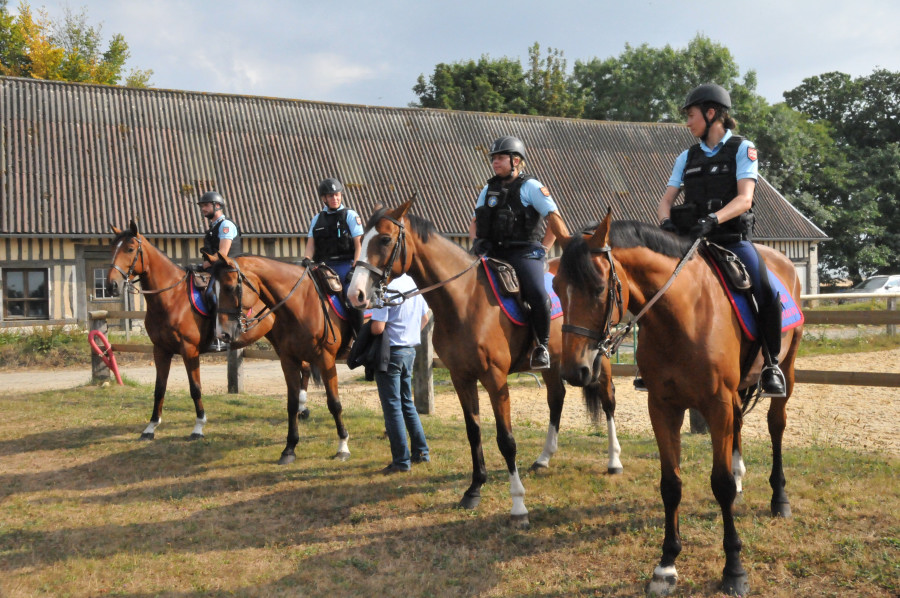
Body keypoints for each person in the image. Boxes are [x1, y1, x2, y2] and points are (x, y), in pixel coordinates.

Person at [655, 83, 786, 397]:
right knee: (657, 289)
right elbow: (665, 200)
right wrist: (666, 222)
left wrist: (713, 219)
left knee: (766, 291)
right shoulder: (686, 157)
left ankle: (771, 364)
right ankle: (653, 363)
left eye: (691, 115)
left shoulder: (743, 148)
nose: (687, 122)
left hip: (731, 240)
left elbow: (745, 199)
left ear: (711, 113)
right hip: (692, 244)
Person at [469, 135, 570, 369]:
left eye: (501, 157)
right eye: (493, 158)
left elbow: (554, 219)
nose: (495, 162)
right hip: (492, 251)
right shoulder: (488, 188)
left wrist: (544, 249)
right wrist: (475, 244)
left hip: (524, 252)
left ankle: (542, 346)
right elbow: (475, 221)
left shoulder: (531, 187)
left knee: (536, 292)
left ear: (516, 160)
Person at [370, 273, 431, 474]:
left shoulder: (384, 288)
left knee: (392, 407)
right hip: (409, 350)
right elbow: (425, 316)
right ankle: (421, 452)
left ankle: (401, 461)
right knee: (407, 402)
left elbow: (378, 328)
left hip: (390, 352)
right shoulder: (413, 283)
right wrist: (410, 333)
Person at [303, 177, 365, 334]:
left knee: (352, 298)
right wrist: (306, 260)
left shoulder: (350, 215)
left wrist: (355, 267)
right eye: (331, 196)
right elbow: (311, 245)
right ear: (324, 198)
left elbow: (359, 244)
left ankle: (360, 337)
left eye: (337, 194)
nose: (335, 198)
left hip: (346, 265)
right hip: (323, 266)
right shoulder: (317, 219)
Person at [197, 191, 242, 352]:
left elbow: (223, 253)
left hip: (228, 270)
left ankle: (221, 337)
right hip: (216, 270)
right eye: (202, 206)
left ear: (217, 206)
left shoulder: (225, 226)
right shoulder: (212, 228)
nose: (203, 208)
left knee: (212, 294)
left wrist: (207, 264)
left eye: (206, 205)